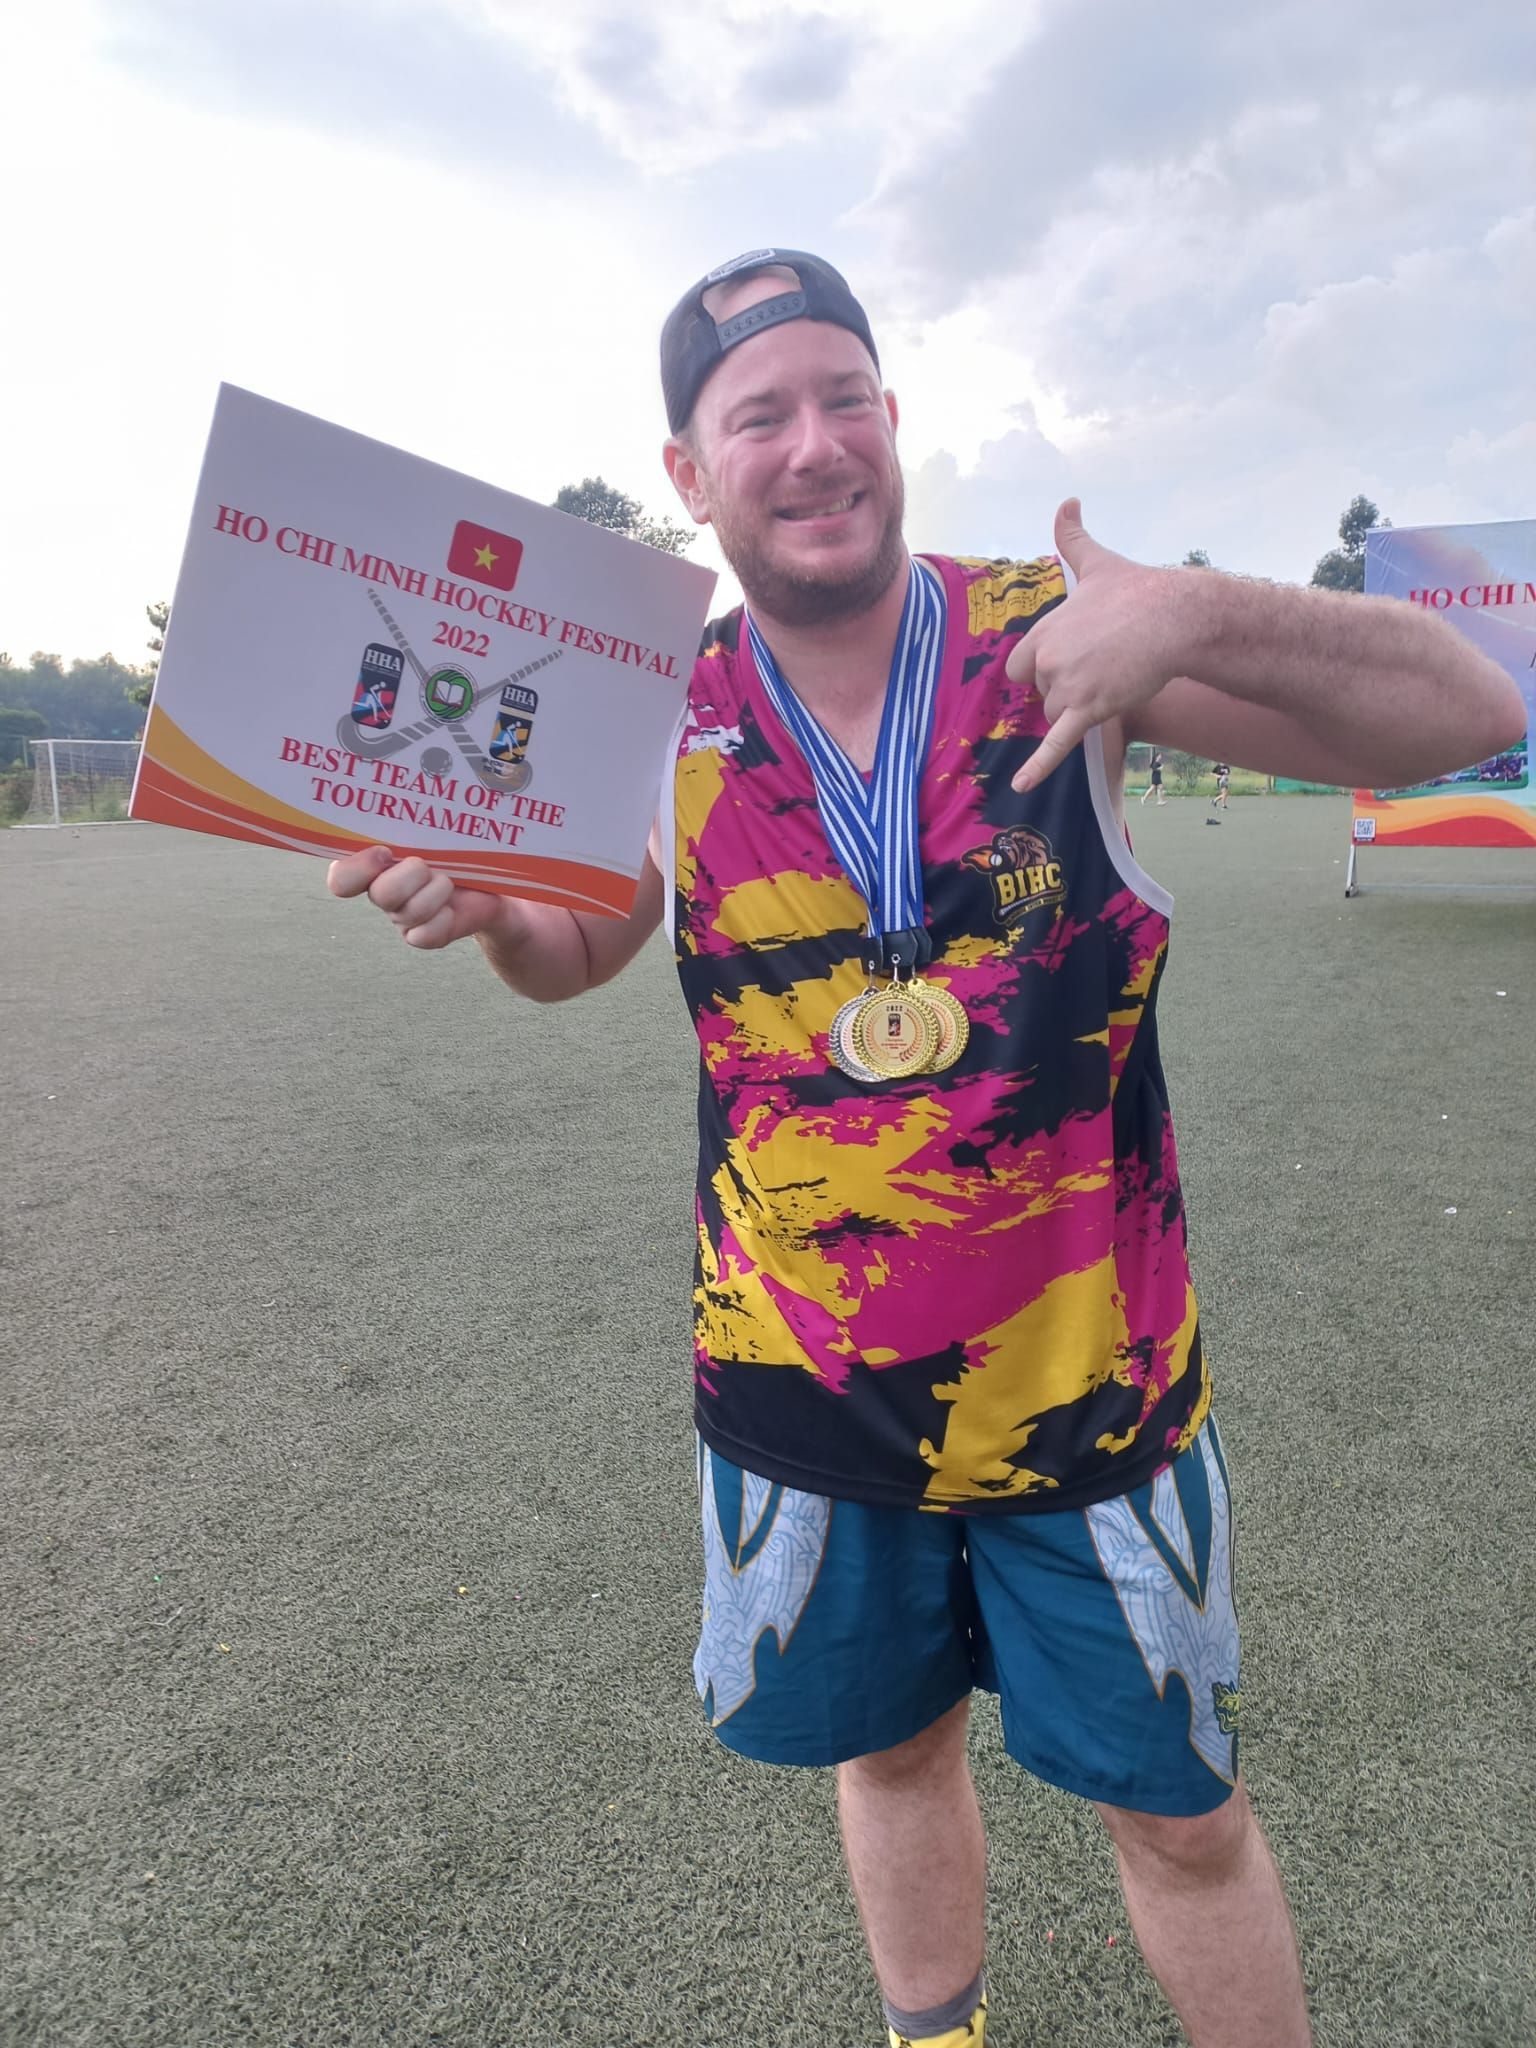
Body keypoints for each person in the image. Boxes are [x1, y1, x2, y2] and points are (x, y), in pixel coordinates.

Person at [327, 250, 1523, 2048]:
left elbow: (1474, 713)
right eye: (762, 416)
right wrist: (496, 915)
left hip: (1092, 1398)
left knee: (1180, 1819)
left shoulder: (1067, 639)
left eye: (845, 399)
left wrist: (1187, 614)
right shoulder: (649, 703)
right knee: (888, 1760)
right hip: (800, 1390)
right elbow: (581, 951)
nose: (814, 447)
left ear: (894, 420)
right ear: (688, 471)